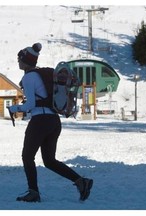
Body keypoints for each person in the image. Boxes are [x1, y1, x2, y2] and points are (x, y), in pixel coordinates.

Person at [8, 43, 93, 202]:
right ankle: (81, 182)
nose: (18, 61)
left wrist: (14, 108)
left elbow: (30, 105)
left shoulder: (28, 77)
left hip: (40, 121)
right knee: (49, 160)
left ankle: (33, 192)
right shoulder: (44, 75)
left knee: (27, 157)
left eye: (19, 59)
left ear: (25, 61)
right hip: (54, 121)